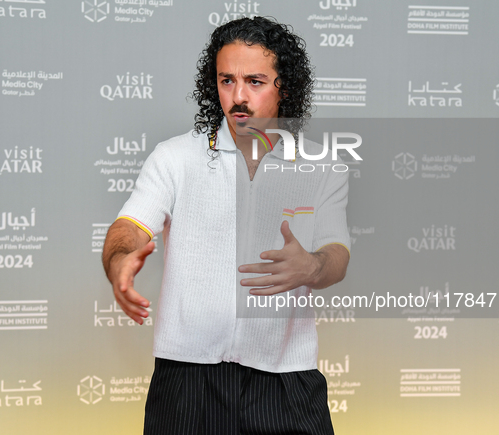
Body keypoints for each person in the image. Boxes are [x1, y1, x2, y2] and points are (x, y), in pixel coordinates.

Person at [102, 16, 350, 435]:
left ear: (283, 87)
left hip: (286, 380)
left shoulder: (322, 167)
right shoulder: (175, 157)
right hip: (186, 380)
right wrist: (120, 261)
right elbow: (129, 226)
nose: (238, 97)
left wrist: (312, 266)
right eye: (226, 80)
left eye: (255, 81)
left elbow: (336, 254)